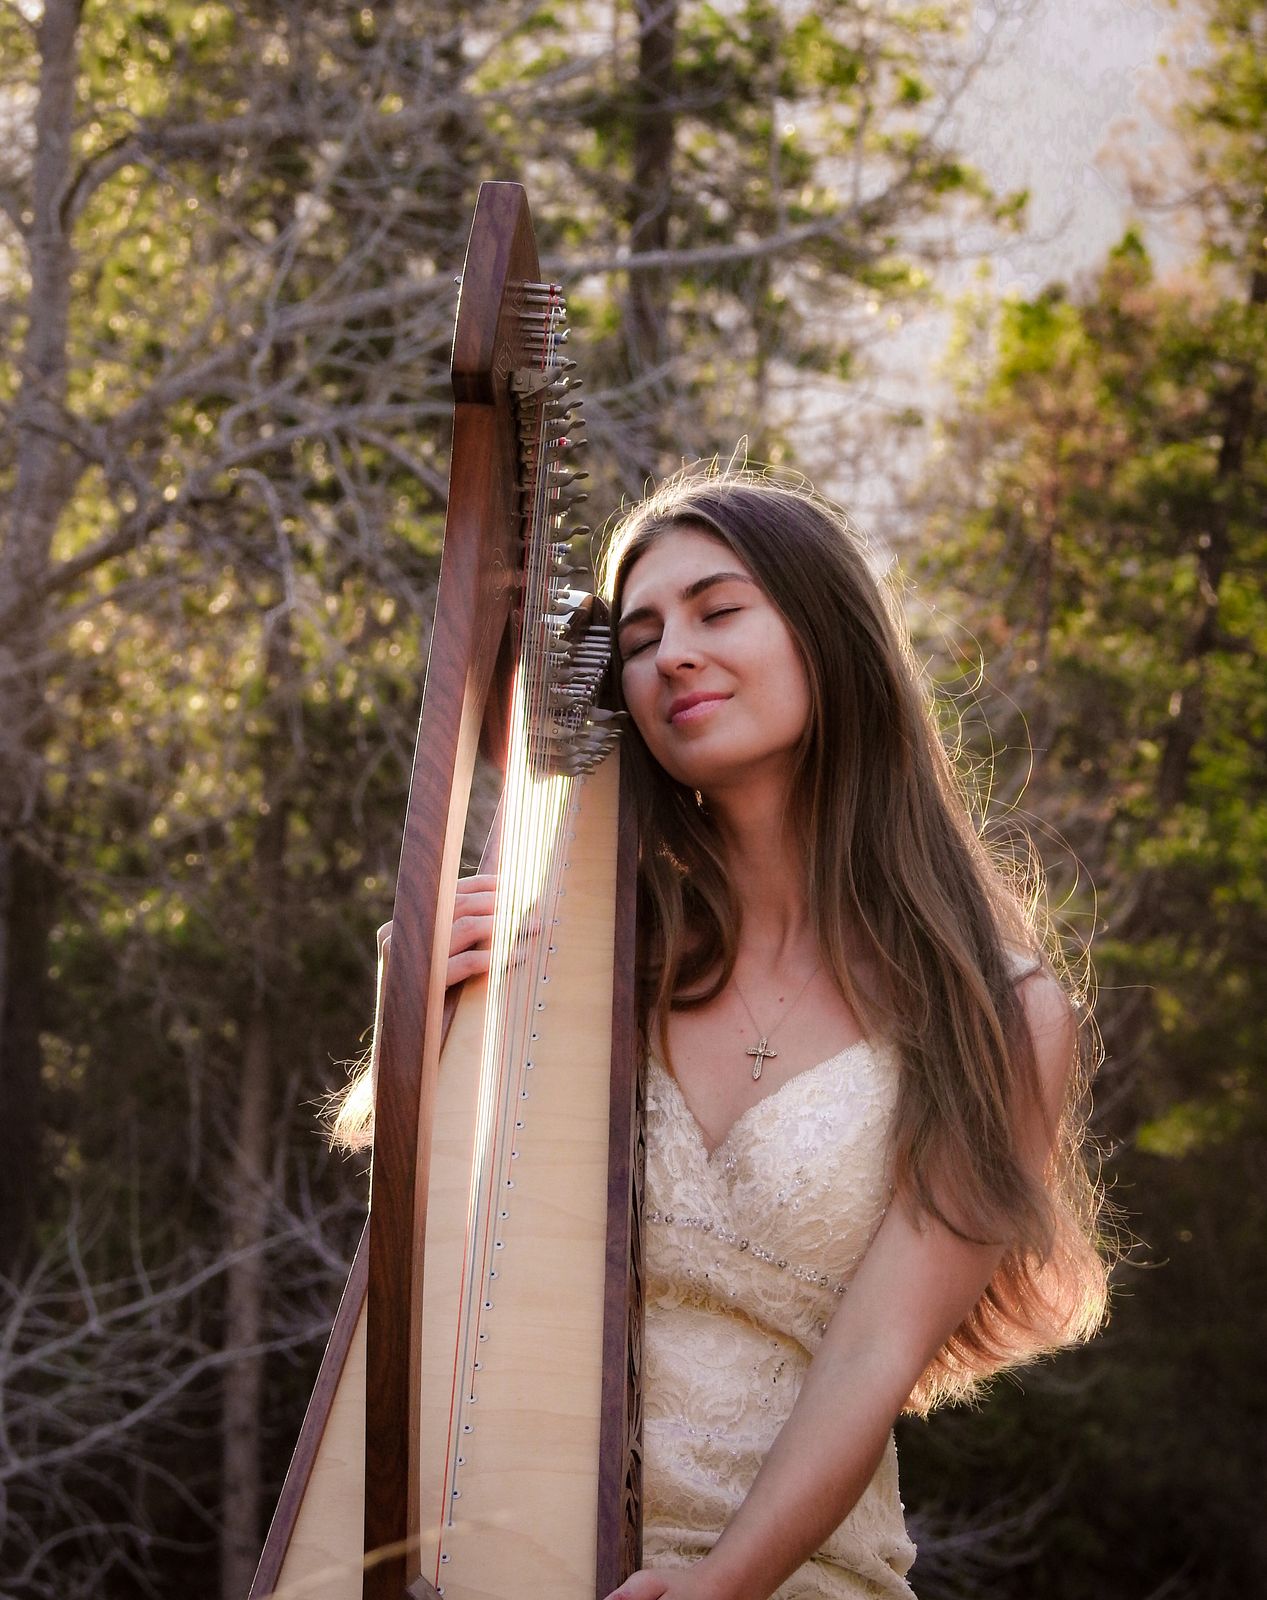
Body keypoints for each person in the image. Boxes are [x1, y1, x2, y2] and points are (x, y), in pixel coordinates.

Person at [342, 468, 1110, 1600]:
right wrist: (413, 1024)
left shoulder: (995, 1012)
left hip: (790, 1568)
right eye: (640, 638)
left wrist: (721, 1584)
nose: (673, 657)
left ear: (827, 635)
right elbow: (432, 1248)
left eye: (717, 610)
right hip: (511, 1541)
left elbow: (875, 1355)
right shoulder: (586, 960)